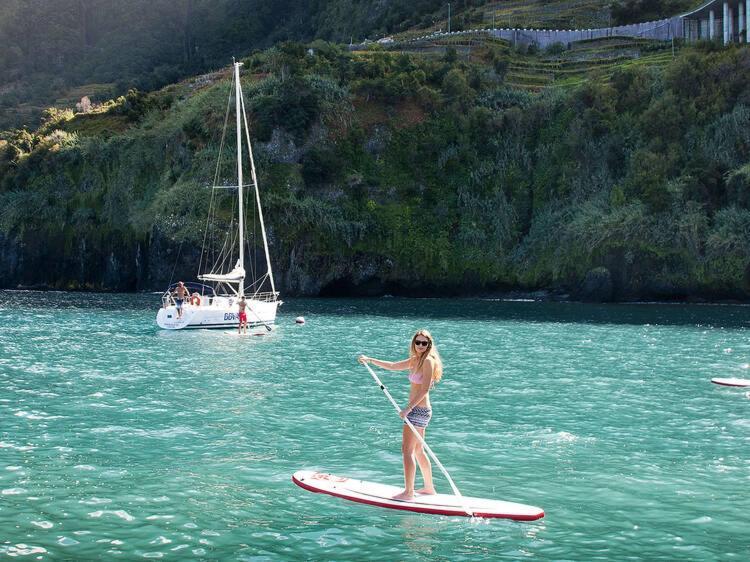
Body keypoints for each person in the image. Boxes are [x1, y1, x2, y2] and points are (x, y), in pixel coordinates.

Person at [358, 329, 443, 501]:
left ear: (429, 345)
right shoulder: (416, 360)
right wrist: (370, 360)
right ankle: (428, 488)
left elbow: (425, 389)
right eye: (417, 342)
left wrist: (408, 409)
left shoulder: (428, 361)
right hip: (420, 411)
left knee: (407, 451)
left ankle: (409, 492)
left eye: (424, 343)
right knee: (418, 450)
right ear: (414, 344)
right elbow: (393, 366)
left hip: (417, 411)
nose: (420, 346)